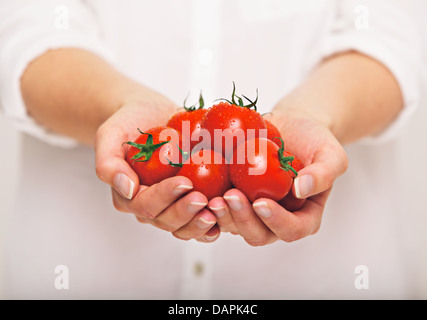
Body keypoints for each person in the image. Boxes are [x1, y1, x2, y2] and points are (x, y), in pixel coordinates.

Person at [0, 0, 424, 299]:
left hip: (324, 279)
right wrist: (119, 104)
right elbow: (29, 33)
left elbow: (392, 39)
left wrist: (314, 114)